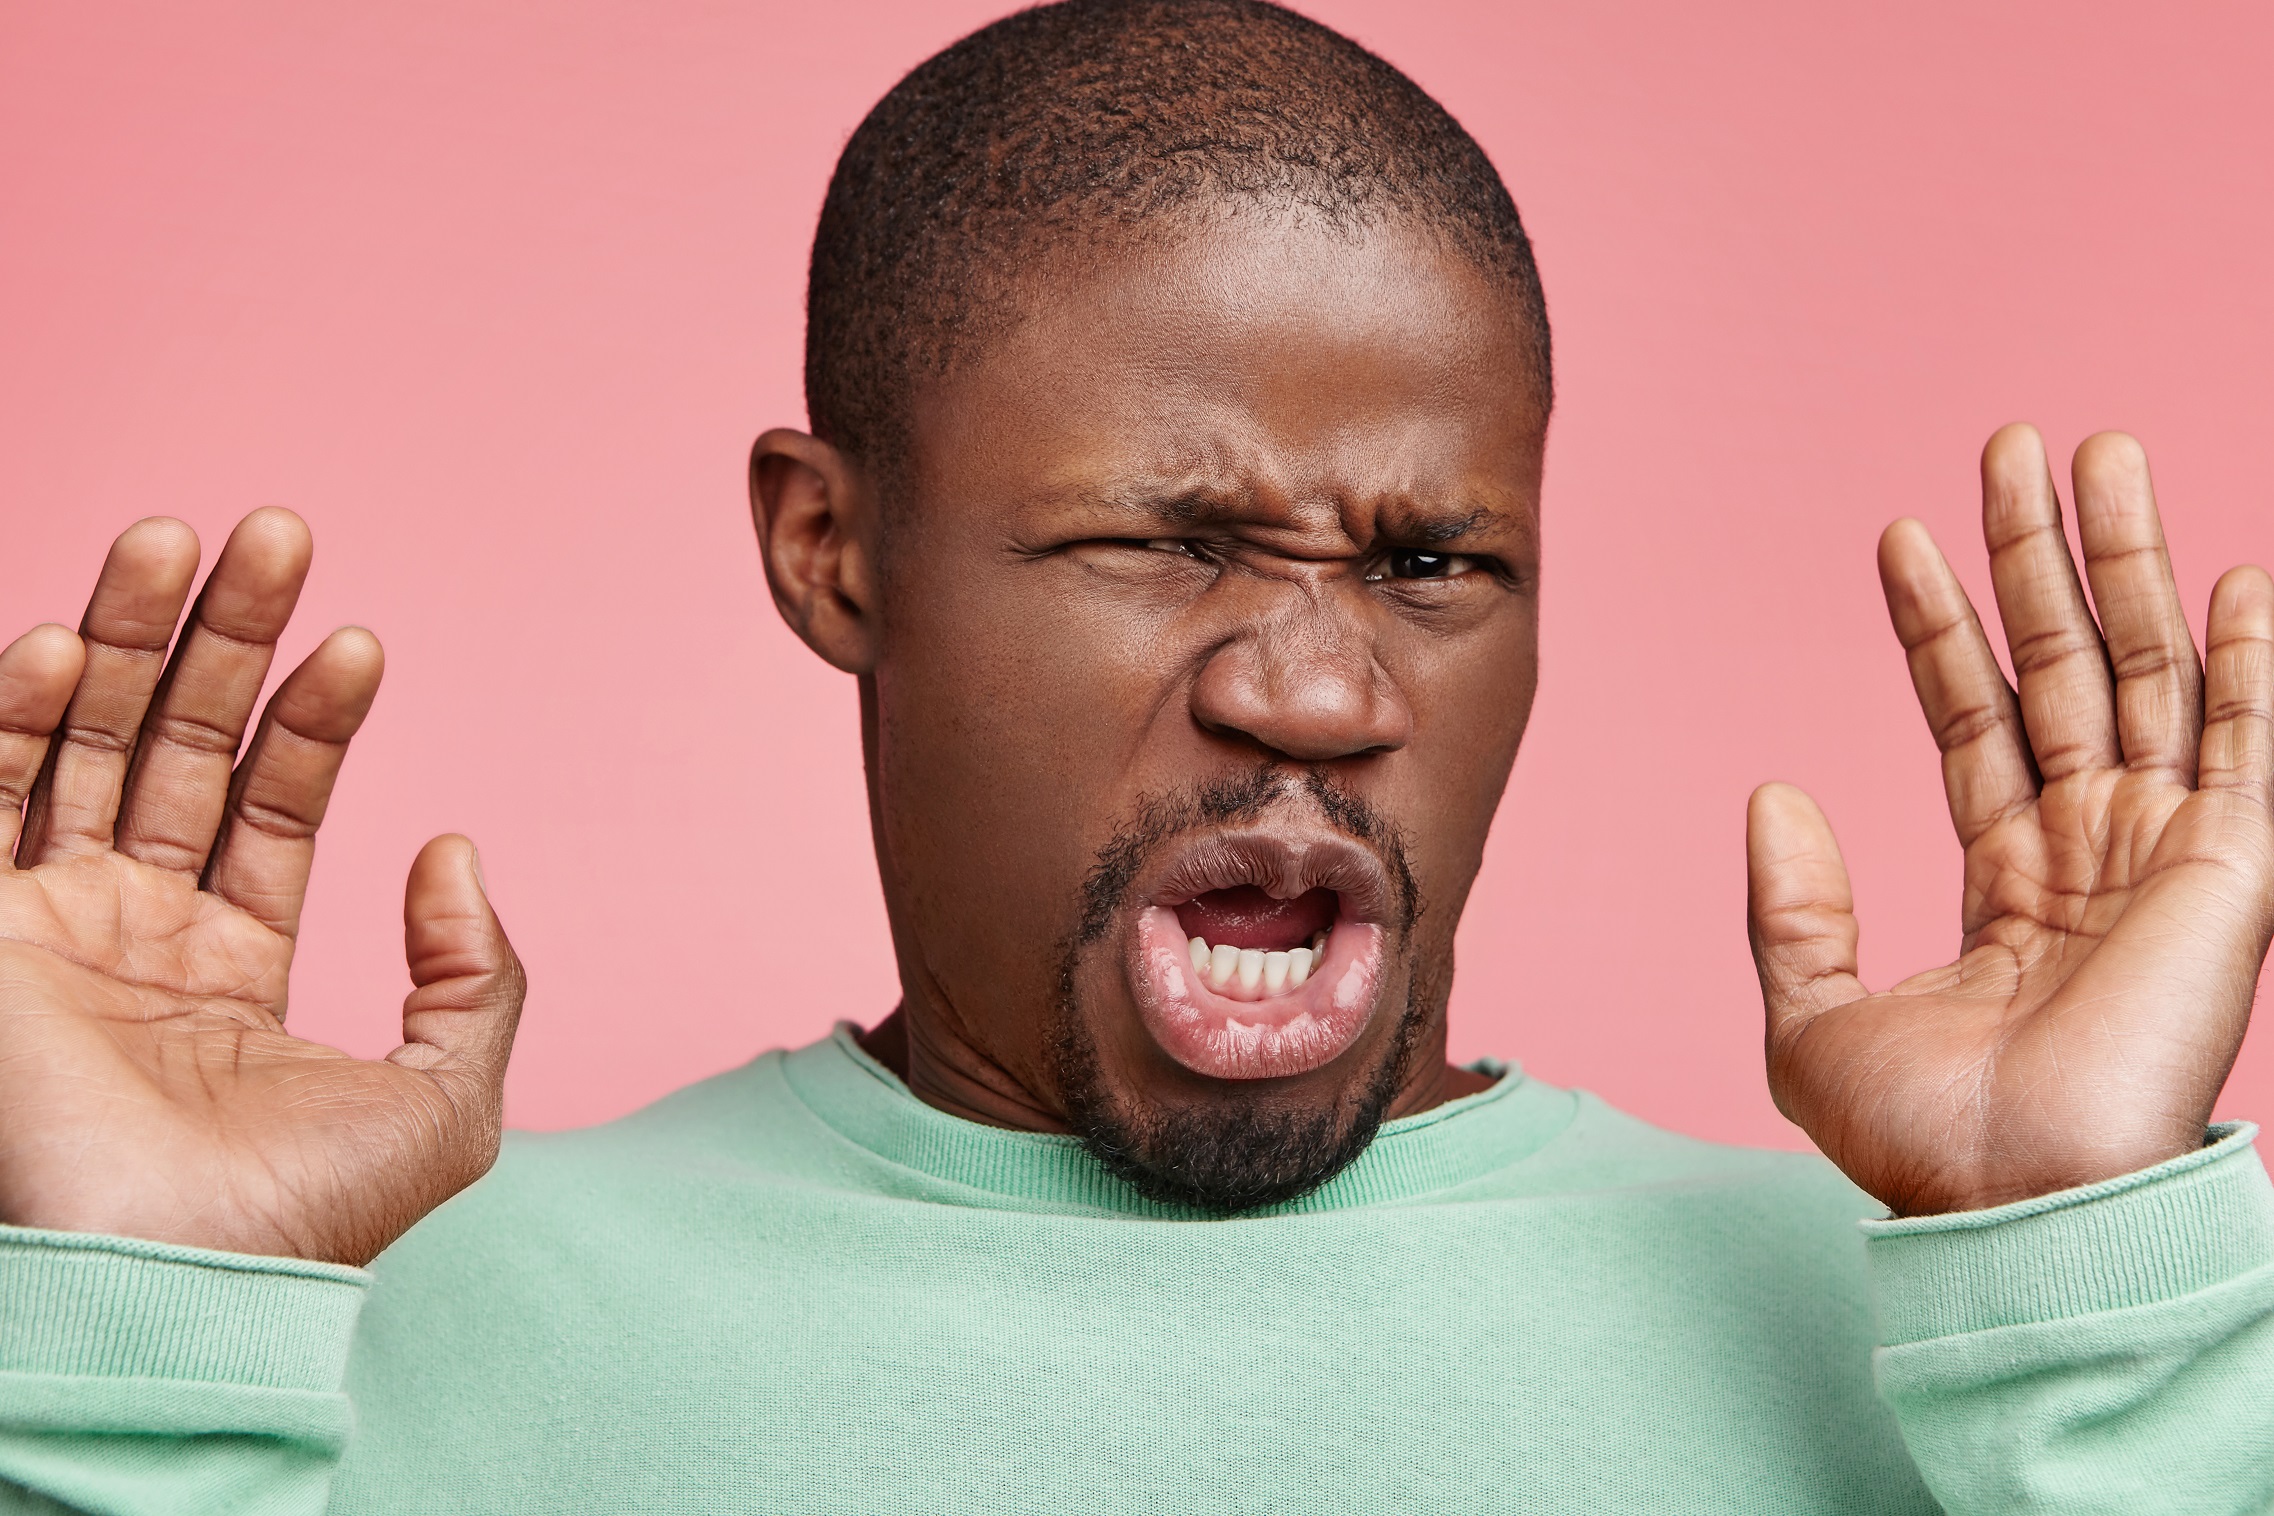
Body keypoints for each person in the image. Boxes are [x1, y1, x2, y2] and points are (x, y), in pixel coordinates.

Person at [1, 0, 2270, 1509]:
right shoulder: (359, 1329)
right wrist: (134, 1349)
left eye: (1438, 563)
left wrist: (2095, 1271)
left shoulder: (1915, 1321)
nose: (1315, 687)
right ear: (833, 549)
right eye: (1168, 538)